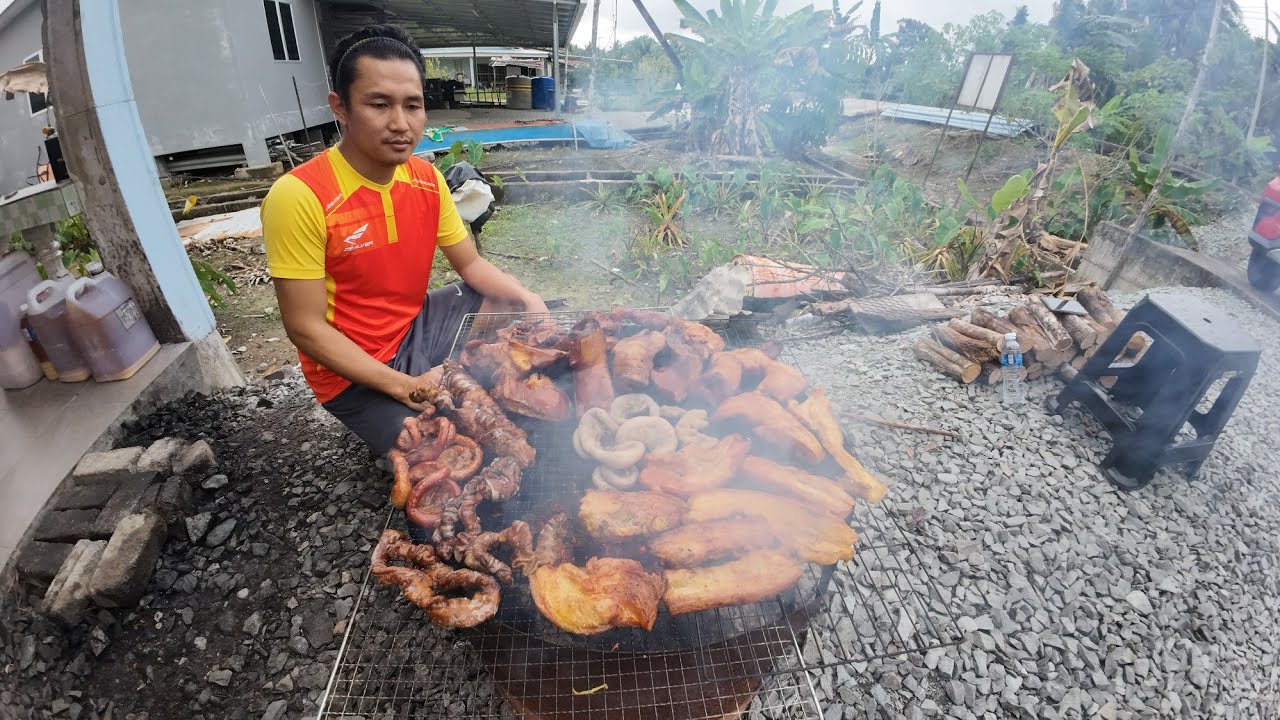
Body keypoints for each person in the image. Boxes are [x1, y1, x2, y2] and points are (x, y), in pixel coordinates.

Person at [261, 25, 548, 456]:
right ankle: (428, 400)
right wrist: (405, 386)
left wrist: (528, 298)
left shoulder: (427, 179)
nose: (400, 124)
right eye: (379, 105)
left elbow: (471, 265)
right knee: (440, 451)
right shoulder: (300, 195)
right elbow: (305, 327)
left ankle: (458, 384)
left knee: (505, 300)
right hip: (351, 373)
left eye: (412, 105)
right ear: (340, 107)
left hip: (414, 327)